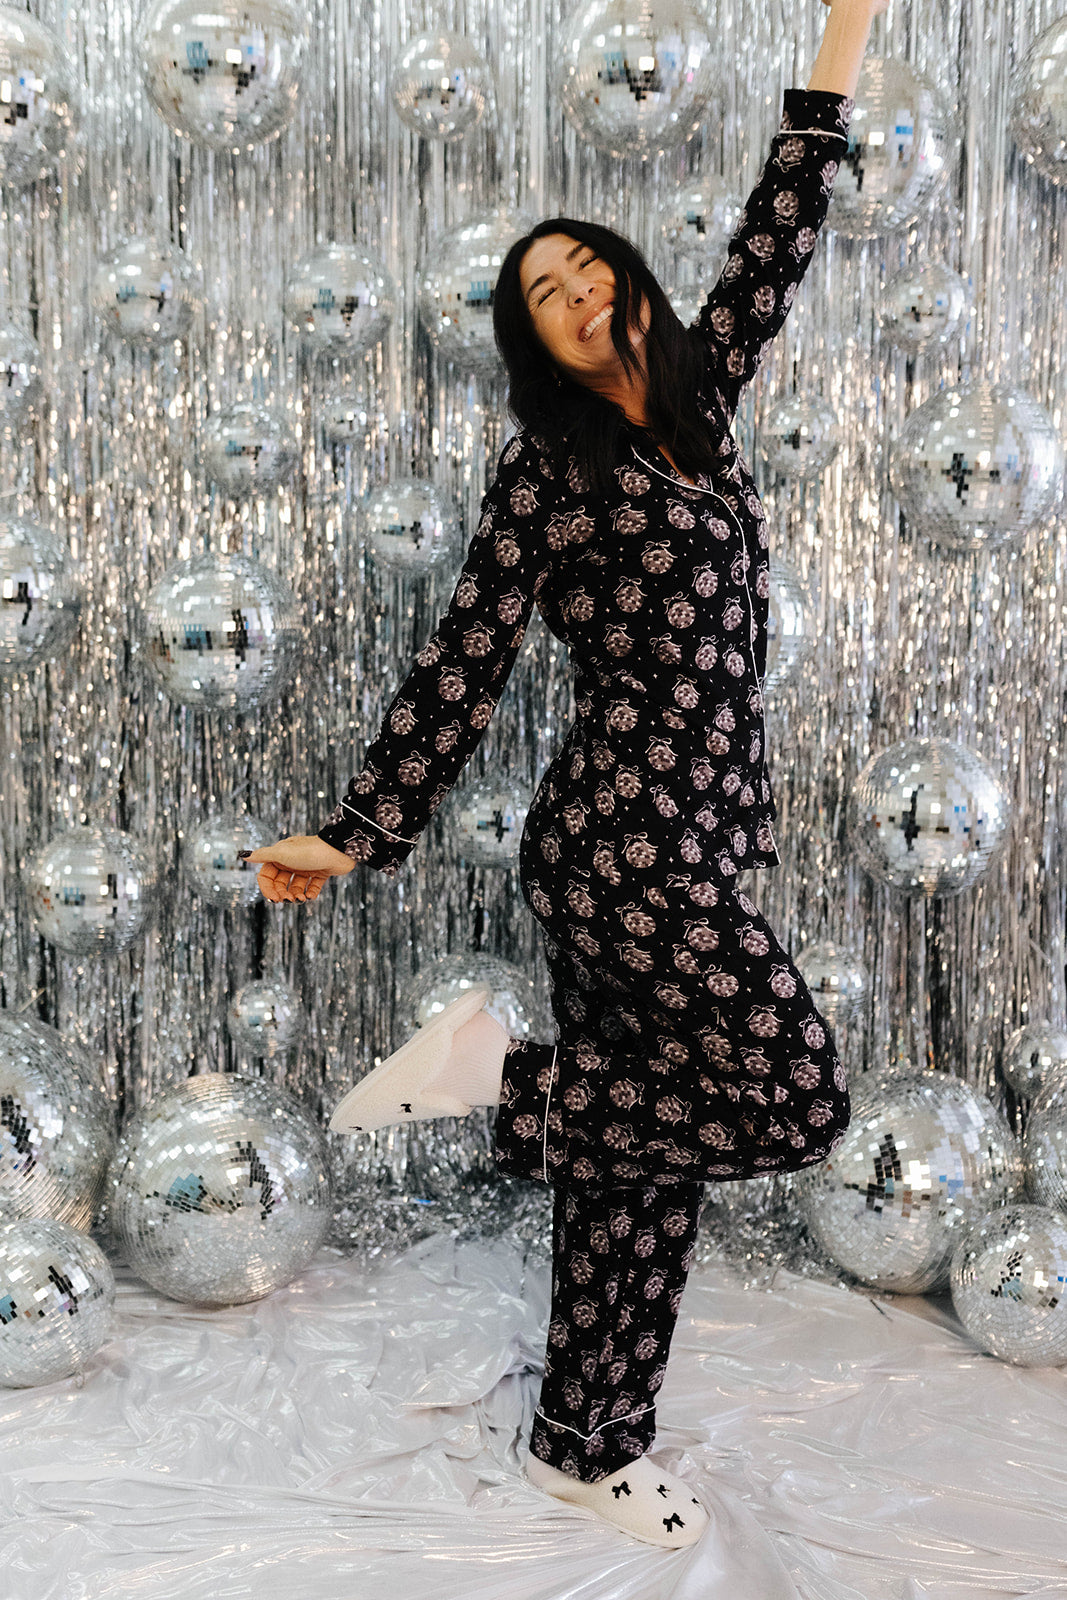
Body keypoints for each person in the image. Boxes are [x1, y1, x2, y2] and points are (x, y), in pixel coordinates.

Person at [248, 0, 885, 1550]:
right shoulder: (549, 474)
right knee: (797, 1095)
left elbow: (779, 227)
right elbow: (464, 659)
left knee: (644, 1172)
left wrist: (847, 30)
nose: (578, 290)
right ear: (528, 337)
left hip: (697, 842)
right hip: (619, 854)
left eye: (588, 263)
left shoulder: (698, 410)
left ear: (631, 285)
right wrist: (358, 831)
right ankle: (496, 1083)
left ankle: (583, 1438)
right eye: (544, 290)